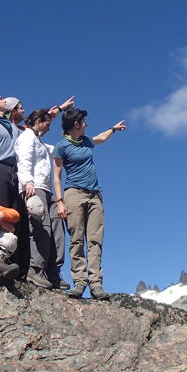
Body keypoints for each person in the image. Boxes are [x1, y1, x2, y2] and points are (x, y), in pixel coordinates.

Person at [53, 107, 126, 300]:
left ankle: (96, 284)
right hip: (73, 194)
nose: (86, 124)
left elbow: (100, 138)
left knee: (95, 240)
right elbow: (57, 177)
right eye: (84, 122)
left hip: (94, 195)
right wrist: (59, 201)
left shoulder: (86, 141)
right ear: (76, 124)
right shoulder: (61, 146)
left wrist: (113, 129)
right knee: (76, 238)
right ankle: (79, 282)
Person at [15, 109, 68, 290]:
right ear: (38, 121)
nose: (48, 128)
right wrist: (27, 183)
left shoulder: (39, 141)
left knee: (56, 227)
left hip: (47, 190)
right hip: (34, 187)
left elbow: (53, 150)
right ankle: (36, 269)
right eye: (47, 124)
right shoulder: (27, 138)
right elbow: (24, 160)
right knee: (40, 228)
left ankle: (54, 270)